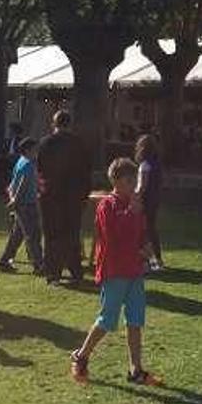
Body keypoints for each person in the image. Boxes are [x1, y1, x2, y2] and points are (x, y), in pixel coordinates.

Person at [69, 158, 162, 386]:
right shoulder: (107, 205)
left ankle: (135, 369)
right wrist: (131, 212)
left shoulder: (134, 204)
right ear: (116, 181)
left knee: (135, 320)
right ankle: (81, 357)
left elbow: (139, 232)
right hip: (114, 270)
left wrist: (145, 246)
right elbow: (112, 237)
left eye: (134, 181)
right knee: (107, 319)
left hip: (134, 270)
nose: (133, 186)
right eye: (128, 181)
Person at [37, 110, 91, 286]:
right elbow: (86, 171)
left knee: (52, 234)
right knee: (72, 233)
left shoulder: (46, 143)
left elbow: (40, 169)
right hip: (73, 196)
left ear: (54, 124)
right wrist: (84, 195)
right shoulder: (79, 143)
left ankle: (53, 273)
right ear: (69, 124)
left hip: (51, 195)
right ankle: (75, 270)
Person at [0, 138, 43, 275]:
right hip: (26, 205)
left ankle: (3, 263)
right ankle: (39, 265)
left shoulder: (20, 162)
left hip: (22, 204)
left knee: (17, 236)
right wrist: (15, 200)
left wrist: (13, 198)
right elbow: (21, 184)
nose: (37, 152)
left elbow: (12, 184)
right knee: (33, 235)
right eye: (35, 149)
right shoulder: (28, 164)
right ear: (28, 150)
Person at [134, 134, 164, 271]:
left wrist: (133, 196)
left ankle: (146, 261)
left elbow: (142, 186)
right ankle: (157, 259)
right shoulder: (157, 164)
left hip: (145, 201)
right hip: (155, 199)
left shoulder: (144, 165)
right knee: (152, 230)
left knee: (143, 231)